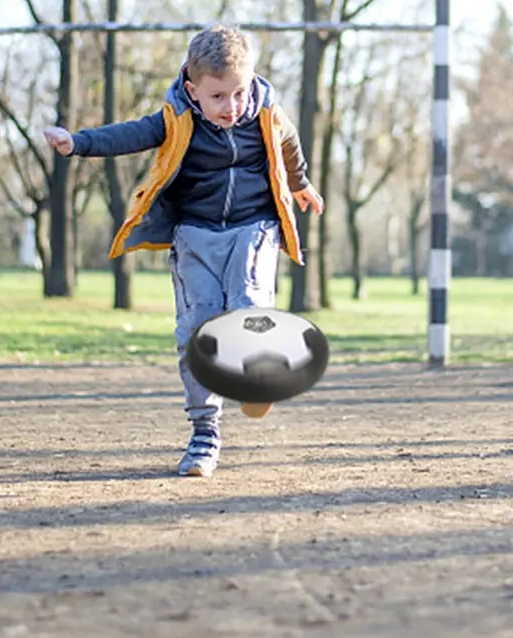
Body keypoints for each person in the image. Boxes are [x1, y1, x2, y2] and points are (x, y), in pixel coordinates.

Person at [44, 25, 323, 477]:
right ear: (194, 90)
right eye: (218, 98)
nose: (231, 107)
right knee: (196, 331)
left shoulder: (268, 112)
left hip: (254, 227)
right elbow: (131, 134)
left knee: (249, 305)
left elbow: (289, 145)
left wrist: (301, 183)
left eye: (239, 93)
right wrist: (79, 142)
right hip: (195, 234)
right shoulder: (177, 116)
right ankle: (204, 433)